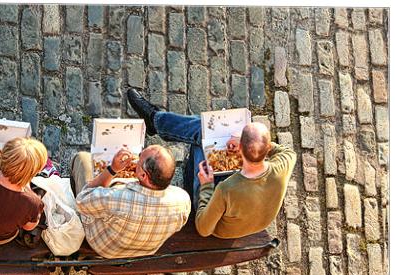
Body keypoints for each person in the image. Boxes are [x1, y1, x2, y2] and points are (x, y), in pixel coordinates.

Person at [127, 88, 297, 239]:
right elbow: (289, 152)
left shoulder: (227, 189)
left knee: (203, 134)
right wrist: (255, 145)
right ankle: (156, 121)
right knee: (204, 133)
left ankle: (155, 120)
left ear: (242, 151)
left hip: (216, 223)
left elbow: (203, 229)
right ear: (266, 148)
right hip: (250, 218)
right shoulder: (283, 165)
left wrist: (207, 186)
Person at [72, 145, 191, 259]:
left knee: (82, 159)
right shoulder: (183, 200)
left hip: (105, 248)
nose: (136, 161)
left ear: (143, 175)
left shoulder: (116, 198)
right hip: (147, 250)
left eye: (139, 158)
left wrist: (112, 169)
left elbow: (82, 201)